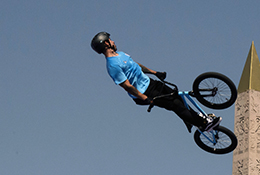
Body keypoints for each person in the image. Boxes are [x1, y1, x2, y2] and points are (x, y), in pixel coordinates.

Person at [91, 32, 221, 131]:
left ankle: (199, 118)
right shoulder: (112, 66)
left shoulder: (121, 54)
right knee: (176, 105)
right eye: (110, 40)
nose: (113, 41)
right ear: (106, 44)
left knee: (179, 97)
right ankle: (203, 125)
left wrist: (155, 72)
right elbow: (127, 86)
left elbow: (136, 65)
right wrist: (145, 98)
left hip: (151, 83)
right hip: (145, 93)